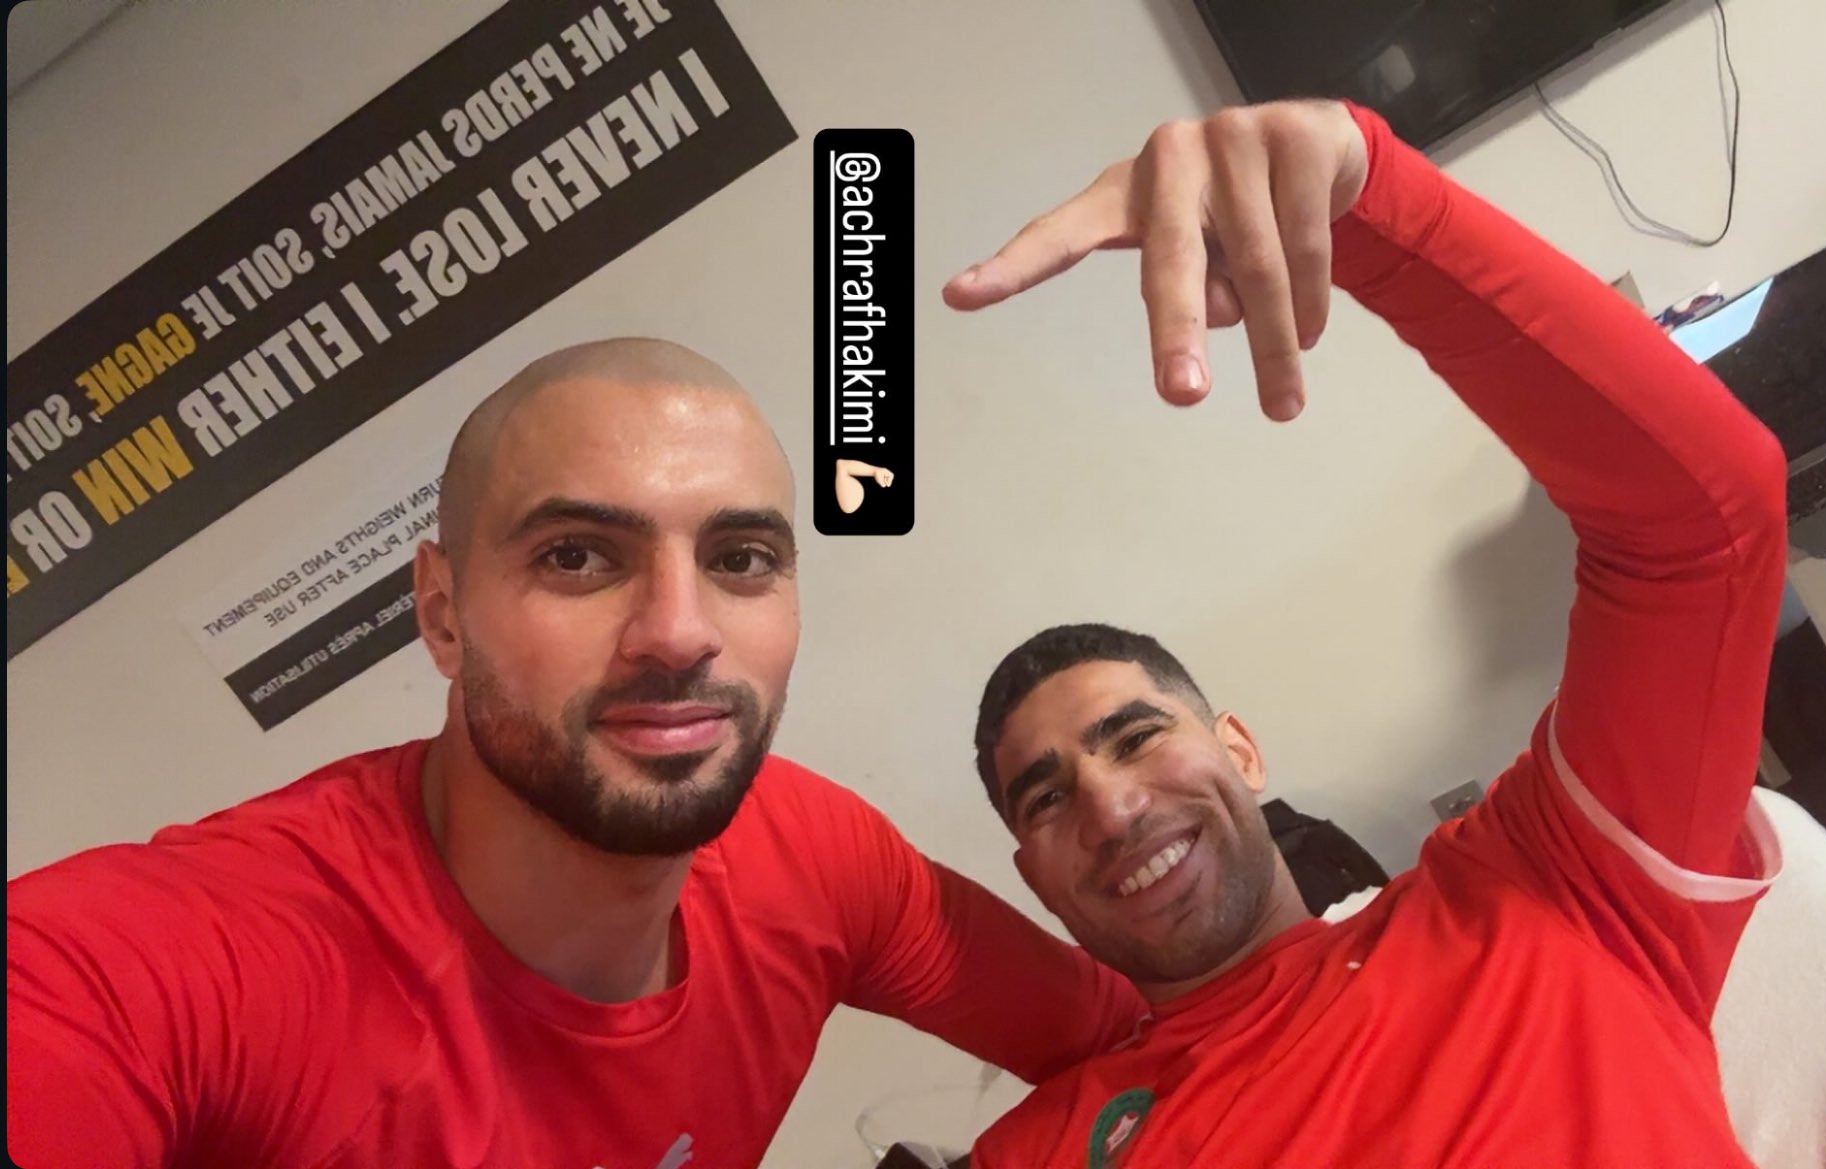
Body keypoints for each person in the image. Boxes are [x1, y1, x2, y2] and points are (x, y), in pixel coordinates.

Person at [5, 339, 1144, 1169]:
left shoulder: (814, 854)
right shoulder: (166, 972)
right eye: (577, 557)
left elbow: (1132, 1042)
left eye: (740, 558)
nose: (680, 631)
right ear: (443, 615)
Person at [943, 97, 1789, 1167]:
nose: (1109, 808)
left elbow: (1706, 526)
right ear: (1036, 878)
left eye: (1137, 735)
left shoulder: (1547, 885)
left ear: (1241, 751)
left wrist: (1373, 208)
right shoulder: (1040, 1149)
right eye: (1048, 798)